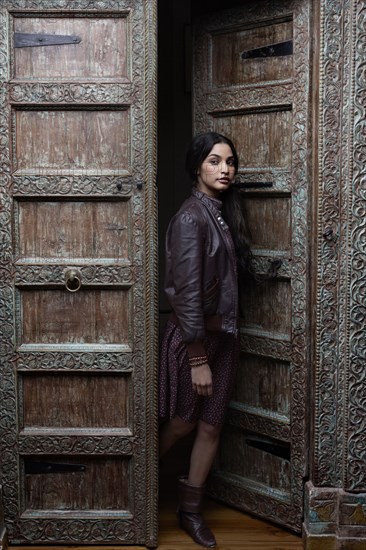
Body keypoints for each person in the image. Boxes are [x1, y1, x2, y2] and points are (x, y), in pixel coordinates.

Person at [159, 132, 252, 548]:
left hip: (223, 339)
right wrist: (197, 357)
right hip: (193, 342)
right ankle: (137, 486)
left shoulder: (221, 211)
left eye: (230, 162)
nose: (225, 169)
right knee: (183, 422)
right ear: (197, 166)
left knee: (211, 425)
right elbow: (184, 292)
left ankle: (190, 510)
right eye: (215, 161)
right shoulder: (191, 217)